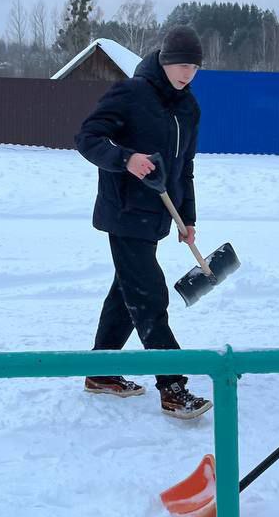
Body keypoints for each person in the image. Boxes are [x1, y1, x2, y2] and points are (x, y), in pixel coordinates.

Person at [74, 25, 213, 420]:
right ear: (165, 61)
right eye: (182, 64)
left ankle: (100, 373)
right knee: (149, 295)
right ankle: (173, 386)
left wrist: (188, 218)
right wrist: (126, 159)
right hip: (123, 212)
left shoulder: (189, 107)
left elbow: (184, 166)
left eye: (195, 67)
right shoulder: (131, 93)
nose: (188, 73)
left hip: (158, 214)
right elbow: (88, 138)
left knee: (126, 292)